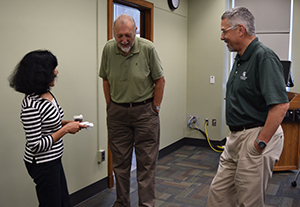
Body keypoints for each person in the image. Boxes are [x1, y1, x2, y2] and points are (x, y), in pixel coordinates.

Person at [207, 6, 290, 207]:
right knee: (218, 196)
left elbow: (280, 105)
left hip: (255, 135)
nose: (221, 37)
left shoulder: (264, 57)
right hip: (235, 137)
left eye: (224, 31)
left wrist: (260, 143)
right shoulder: (240, 57)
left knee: (249, 201)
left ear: (240, 30)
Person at [99, 14, 165, 207]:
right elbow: (105, 79)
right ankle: (122, 202)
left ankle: (146, 204)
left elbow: (160, 80)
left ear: (135, 31)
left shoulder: (148, 48)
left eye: (128, 35)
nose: (124, 40)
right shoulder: (108, 49)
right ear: (113, 34)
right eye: (119, 36)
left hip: (145, 112)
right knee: (120, 164)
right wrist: (109, 106)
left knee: (146, 164)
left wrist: (156, 108)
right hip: (117, 114)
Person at [9, 50, 87, 207]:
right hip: (42, 163)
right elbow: (35, 145)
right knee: (51, 203)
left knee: (64, 201)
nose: (56, 71)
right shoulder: (31, 105)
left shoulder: (46, 94)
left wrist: (68, 123)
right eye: (53, 68)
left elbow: (49, 123)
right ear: (40, 73)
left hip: (54, 158)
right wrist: (65, 130)